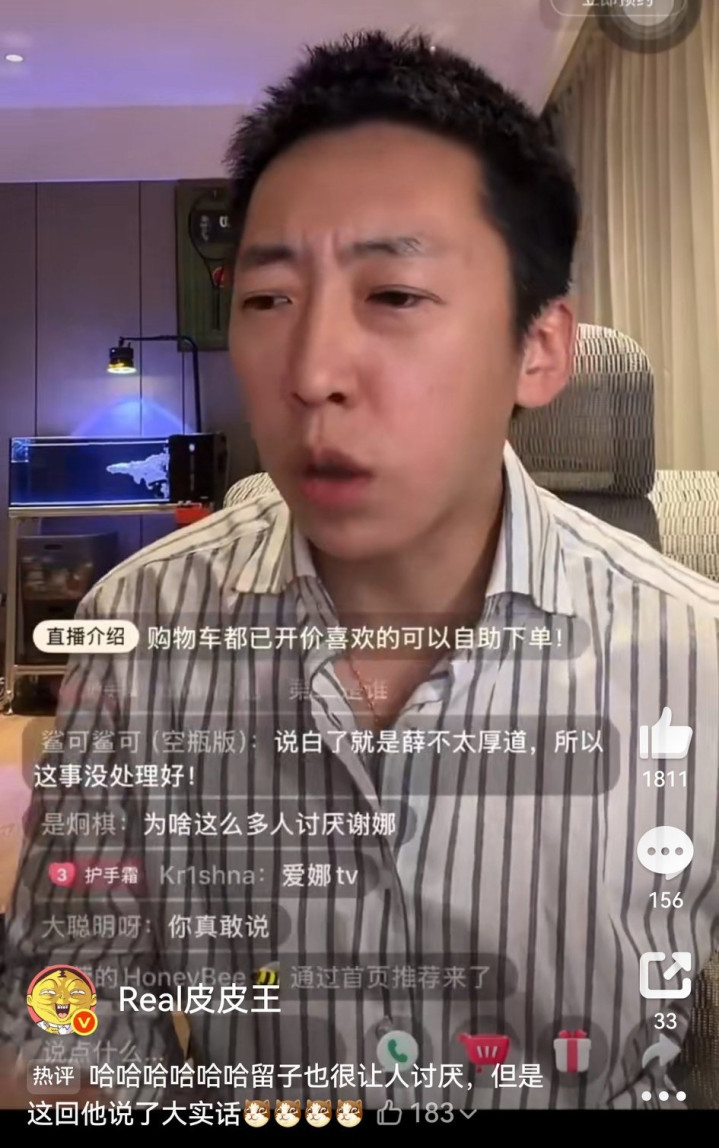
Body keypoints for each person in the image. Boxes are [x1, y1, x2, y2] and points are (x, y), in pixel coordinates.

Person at [1, 29, 718, 1114]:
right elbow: (71, 1022)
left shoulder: (692, 659)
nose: (312, 371)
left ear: (537, 347)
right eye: (268, 300)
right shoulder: (141, 627)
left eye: (393, 294)